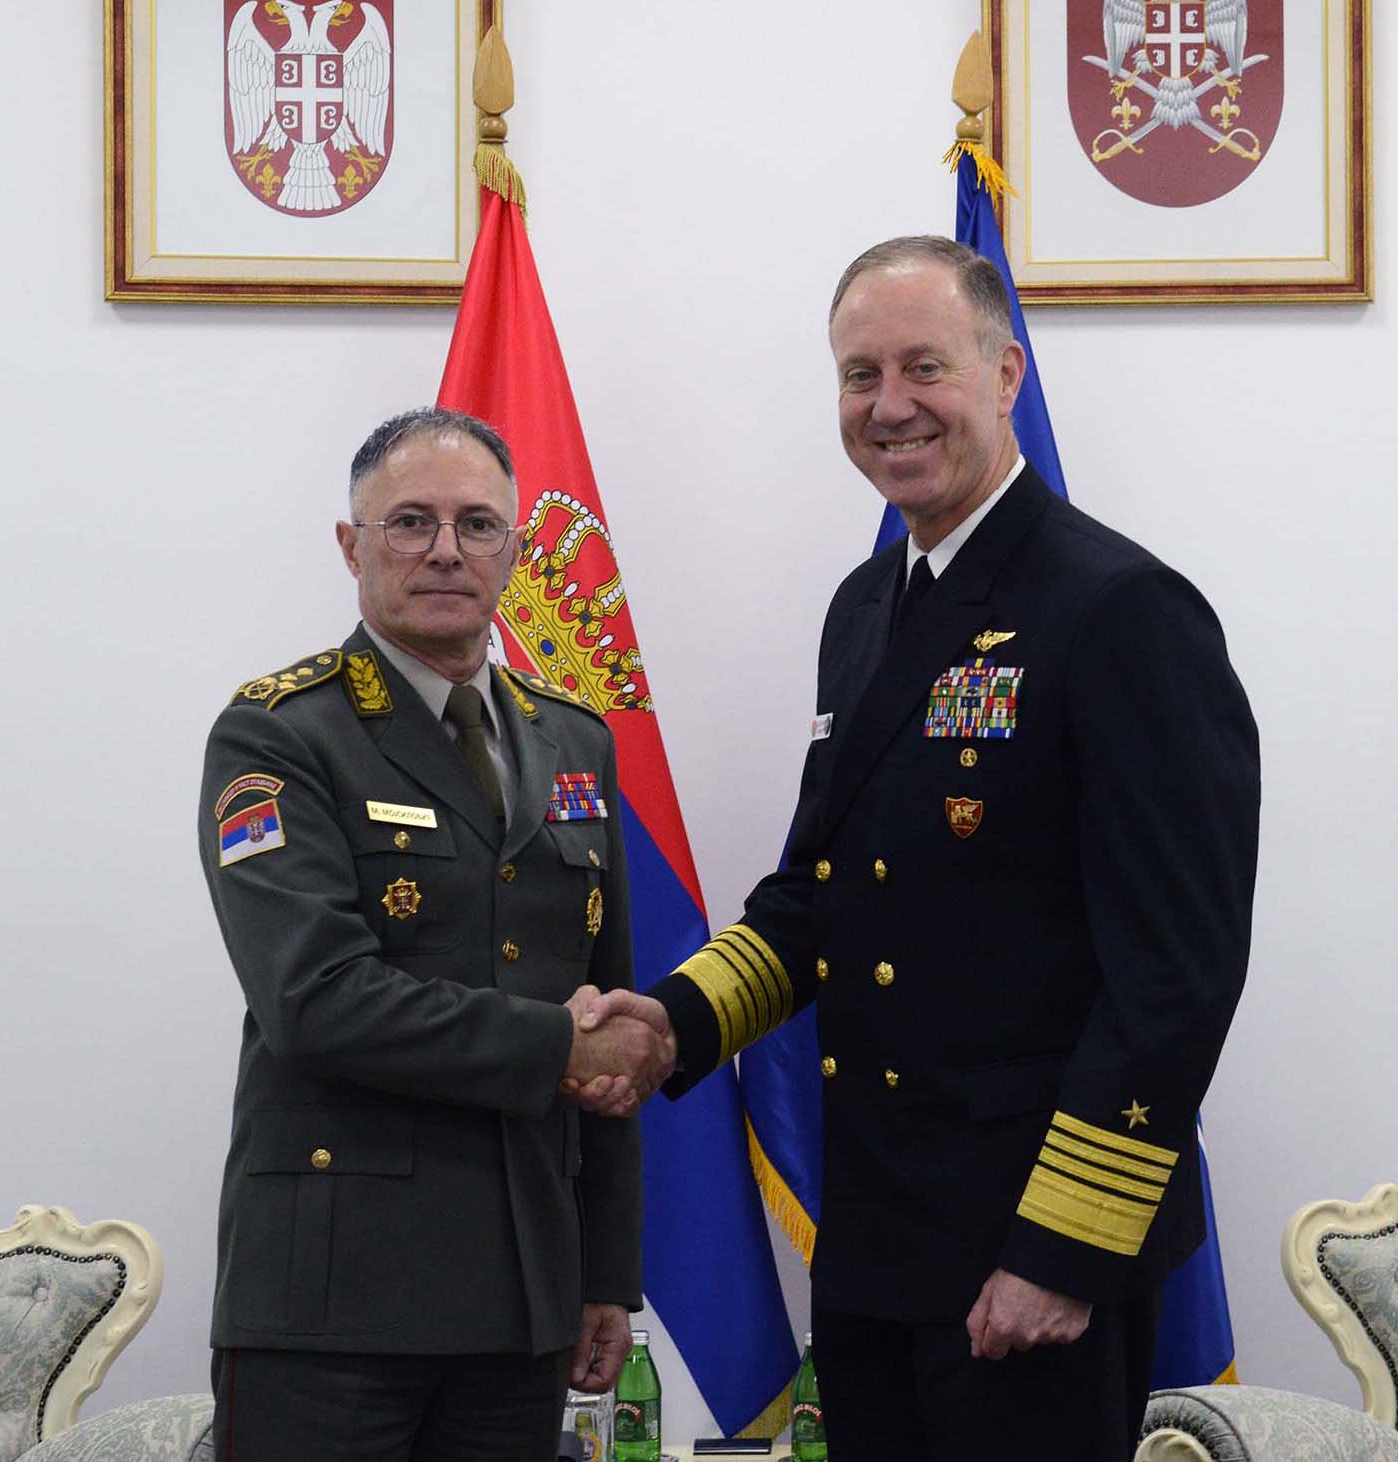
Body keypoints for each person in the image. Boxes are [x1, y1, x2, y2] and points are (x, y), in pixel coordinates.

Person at [577, 236, 1261, 1456]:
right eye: (859, 375)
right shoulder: (864, 608)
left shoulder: (1117, 609)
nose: (888, 406)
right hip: (881, 1236)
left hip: (1031, 1251)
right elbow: (817, 895)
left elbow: (1175, 974)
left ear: (1005, 375)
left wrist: (1061, 1250)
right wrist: (673, 1022)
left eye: (923, 367)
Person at [198, 406, 675, 1462]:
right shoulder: (278, 734)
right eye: (411, 521)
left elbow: (606, 1002)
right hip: (335, 1296)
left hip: (522, 1294)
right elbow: (316, 1000)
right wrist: (559, 1047)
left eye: (478, 524)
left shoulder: (574, 740)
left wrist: (605, 1270)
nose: (447, 550)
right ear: (351, 545)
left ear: (514, 550)